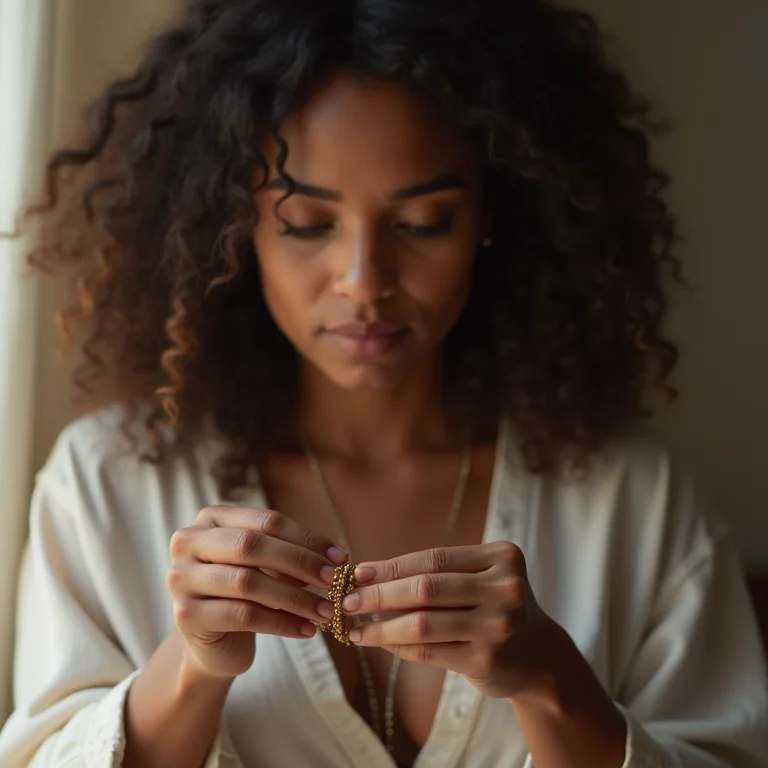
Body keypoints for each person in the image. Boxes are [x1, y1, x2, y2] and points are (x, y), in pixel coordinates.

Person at [1, 0, 767, 765]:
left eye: (425, 221)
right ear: (235, 225)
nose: (365, 282)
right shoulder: (105, 485)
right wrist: (192, 664)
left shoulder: (635, 496)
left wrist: (551, 684)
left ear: (491, 217)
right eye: (307, 222)